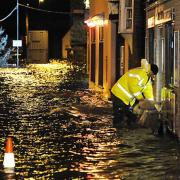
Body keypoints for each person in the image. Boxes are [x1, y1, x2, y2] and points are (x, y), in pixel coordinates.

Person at [111, 59, 159, 127]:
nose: (153, 77)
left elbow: (148, 91)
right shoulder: (141, 73)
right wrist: (141, 99)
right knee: (119, 112)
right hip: (119, 94)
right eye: (153, 75)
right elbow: (133, 87)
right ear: (151, 71)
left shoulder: (147, 78)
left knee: (127, 112)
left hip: (125, 98)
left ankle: (126, 126)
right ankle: (118, 129)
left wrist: (151, 104)